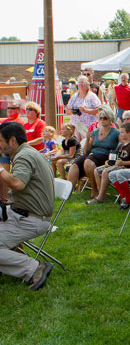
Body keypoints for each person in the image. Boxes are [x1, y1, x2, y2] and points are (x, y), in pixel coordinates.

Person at [0, 121, 55, 290]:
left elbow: (17, 184)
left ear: (12, 140)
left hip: (31, 219)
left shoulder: (24, 156)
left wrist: (0, 170)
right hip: (22, 214)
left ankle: (34, 268)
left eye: (1, 141)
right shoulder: (28, 152)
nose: (0, 146)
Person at [67, 106, 120, 196]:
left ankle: (94, 189)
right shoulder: (95, 132)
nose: (102, 120)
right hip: (92, 154)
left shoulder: (116, 132)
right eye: (101, 118)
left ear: (111, 119)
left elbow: (122, 145)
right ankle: (68, 192)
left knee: (88, 162)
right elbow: (87, 150)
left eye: (105, 118)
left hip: (106, 156)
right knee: (75, 165)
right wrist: (87, 139)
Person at [86, 122, 130, 205]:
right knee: (97, 171)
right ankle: (101, 193)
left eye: (122, 132)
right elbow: (115, 157)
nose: (120, 134)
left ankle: (100, 198)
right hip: (117, 166)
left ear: (129, 133)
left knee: (106, 172)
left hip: (126, 168)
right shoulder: (120, 145)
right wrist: (108, 162)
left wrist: (123, 163)